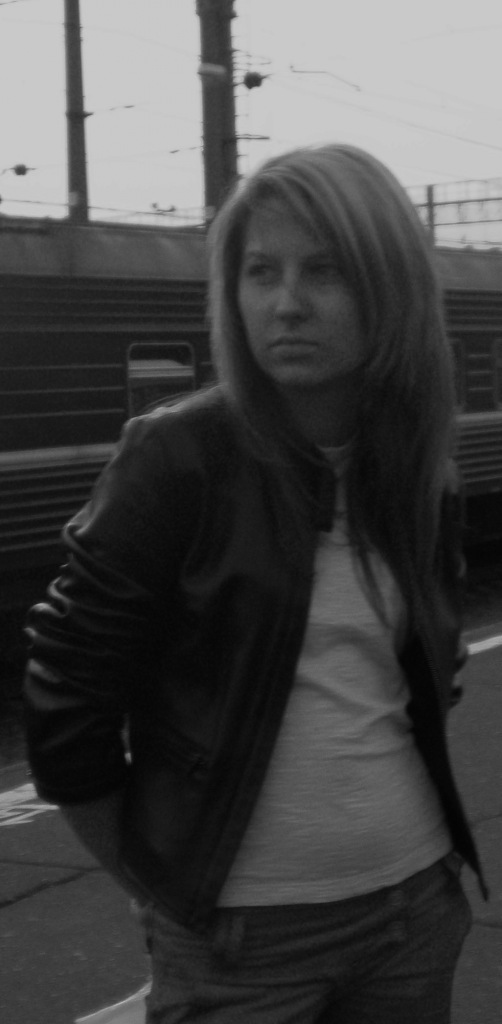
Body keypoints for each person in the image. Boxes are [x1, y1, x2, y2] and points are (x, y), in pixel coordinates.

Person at [23, 143, 486, 1024]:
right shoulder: (178, 457)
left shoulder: (416, 467)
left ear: (390, 288)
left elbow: (434, 665)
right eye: (261, 271)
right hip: (241, 942)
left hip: (414, 907)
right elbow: (65, 701)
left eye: (325, 270)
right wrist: (157, 882)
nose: (287, 303)